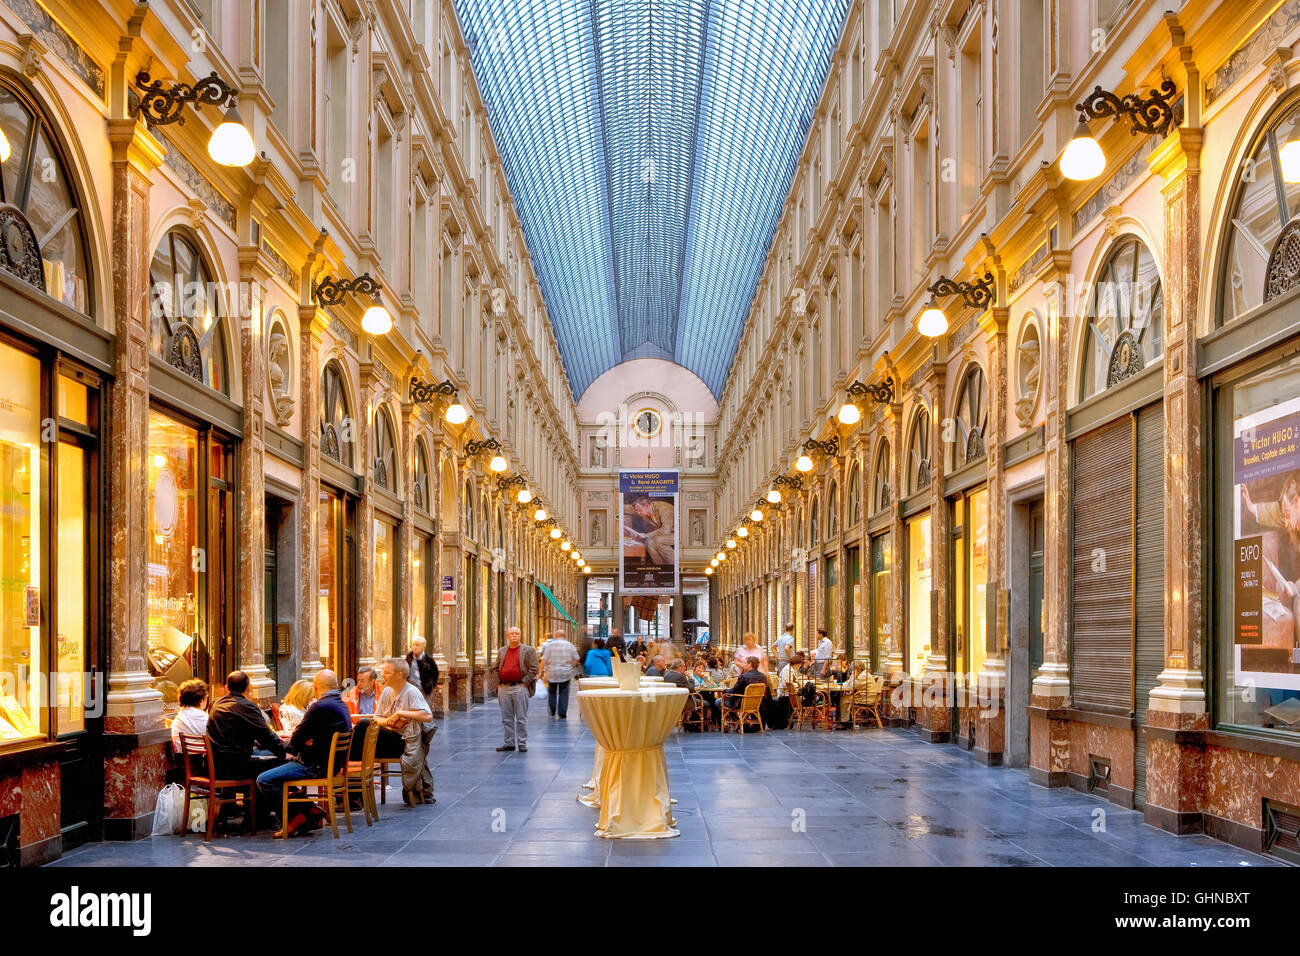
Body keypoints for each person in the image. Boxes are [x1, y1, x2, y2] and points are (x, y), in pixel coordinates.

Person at [256, 669, 352, 836]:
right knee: (279, 769)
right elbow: (303, 738)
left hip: (313, 766)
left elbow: (296, 740)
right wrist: (303, 741)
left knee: (264, 779)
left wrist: (297, 743)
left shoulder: (319, 706)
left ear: (315, 687)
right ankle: (310, 809)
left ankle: (295, 817)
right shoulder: (341, 704)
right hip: (329, 765)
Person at [374, 658, 435, 805]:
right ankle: (355, 789)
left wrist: (402, 714)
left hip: (404, 742)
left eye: (387, 673)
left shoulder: (411, 692)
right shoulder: (387, 691)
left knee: (362, 729)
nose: (383, 675)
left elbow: (427, 716)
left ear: (399, 675)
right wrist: (388, 722)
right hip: (389, 737)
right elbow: (377, 717)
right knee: (362, 733)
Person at [207, 671, 286, 781]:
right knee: (285, 763)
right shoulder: (247, 707)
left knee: (269, 755)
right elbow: (266, 737)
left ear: (227, 688)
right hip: (237, 767)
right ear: (248, 688)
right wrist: (283, 754)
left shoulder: (217, 705)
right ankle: (290, 796)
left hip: (217, 765)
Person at [496, 626, 538, 753]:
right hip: (504, 688)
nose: (514, 635)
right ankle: (509, 743)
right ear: (508, 636)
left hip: (519, 687)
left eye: (517, 633)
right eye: (512, 633)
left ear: (520, 636)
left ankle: (521, 742)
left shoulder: (528, 650)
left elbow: (533, 669)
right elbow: (496, 667)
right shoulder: (502, 651)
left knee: (521, 717)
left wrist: (525, 683)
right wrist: (498, 683)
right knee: (506, 718)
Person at [540, 627, 581, 719]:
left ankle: (553, 709)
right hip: (565, 672)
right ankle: (562, 712)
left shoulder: (550, 645)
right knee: (564, 692)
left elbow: (544, 660)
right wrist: (571, 665)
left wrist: (540, 672)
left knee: (552, 691)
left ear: (556, 635)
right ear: (564, 636)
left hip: (552, 672)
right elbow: (577, 658)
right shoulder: (569, 645)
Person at [721, 657, 770, 730]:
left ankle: (729, 724)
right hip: (758, 704)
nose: (743, 665)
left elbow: (735, 691)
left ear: (750, 664)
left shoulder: (744, 676)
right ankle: (741, 722)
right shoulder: (763, 676)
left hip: (741, 704)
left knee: (718, 702)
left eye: (745, 663)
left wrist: (725, 691)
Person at [170, 678, 209, 754]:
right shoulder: (203, 718)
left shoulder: (180, 715)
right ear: (201, 701)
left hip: (179, 758)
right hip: (199, 760)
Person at [406, 636, 440, 711]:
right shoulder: (408, 658)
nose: (414, 647)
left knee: (424, 711)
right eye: (413, 645)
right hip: (410, 689)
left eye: (417, 645)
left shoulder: (428, 659)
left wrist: (431, 685)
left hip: (424, 689)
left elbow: (435, 673)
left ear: (423, 647)